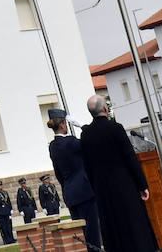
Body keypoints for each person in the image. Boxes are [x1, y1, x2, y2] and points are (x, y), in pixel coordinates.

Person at [79, 94, 157, 252]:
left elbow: (87, 166)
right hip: (124, 187)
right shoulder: (115, 128)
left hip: (102, 191)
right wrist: (142, 184)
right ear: (106, 109)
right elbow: (130, 158)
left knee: (112, 230)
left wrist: (96, 188)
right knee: (133, 227)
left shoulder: (85, 134)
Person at [47, 108, 101, 252]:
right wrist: (83, 126)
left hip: (70, 193)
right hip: (85, 191)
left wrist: (67, 187)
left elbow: (58, 173)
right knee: (92, 235)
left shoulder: (52, 146)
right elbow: (93, 140)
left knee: (80, 235)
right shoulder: (71, 142)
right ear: (64, 124)